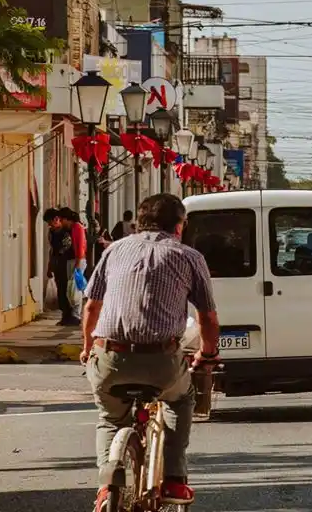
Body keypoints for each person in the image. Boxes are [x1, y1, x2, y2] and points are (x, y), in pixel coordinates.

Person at [81, 193, 220, 508]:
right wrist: (207, 354)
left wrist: (88, 347)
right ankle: (174, 477)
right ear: (179, 227)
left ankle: (106, 487)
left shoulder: (114, 250)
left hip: (109, 356)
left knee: (109, 417)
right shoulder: (189, 256)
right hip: (161, 360)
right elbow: (208, 318)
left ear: (137, 223)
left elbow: (91, 307)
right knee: (181, 400)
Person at [43, 208, 80, 326]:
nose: (49, 225)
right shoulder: (52, 233)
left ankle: (73, 316)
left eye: (50, 222)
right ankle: (65, 315)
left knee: (70, 290)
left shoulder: (67, 231)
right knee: (61, 291)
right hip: (58, 264)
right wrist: (50, 266)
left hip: (68, 263)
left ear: (57, 219)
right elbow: (52, 250)